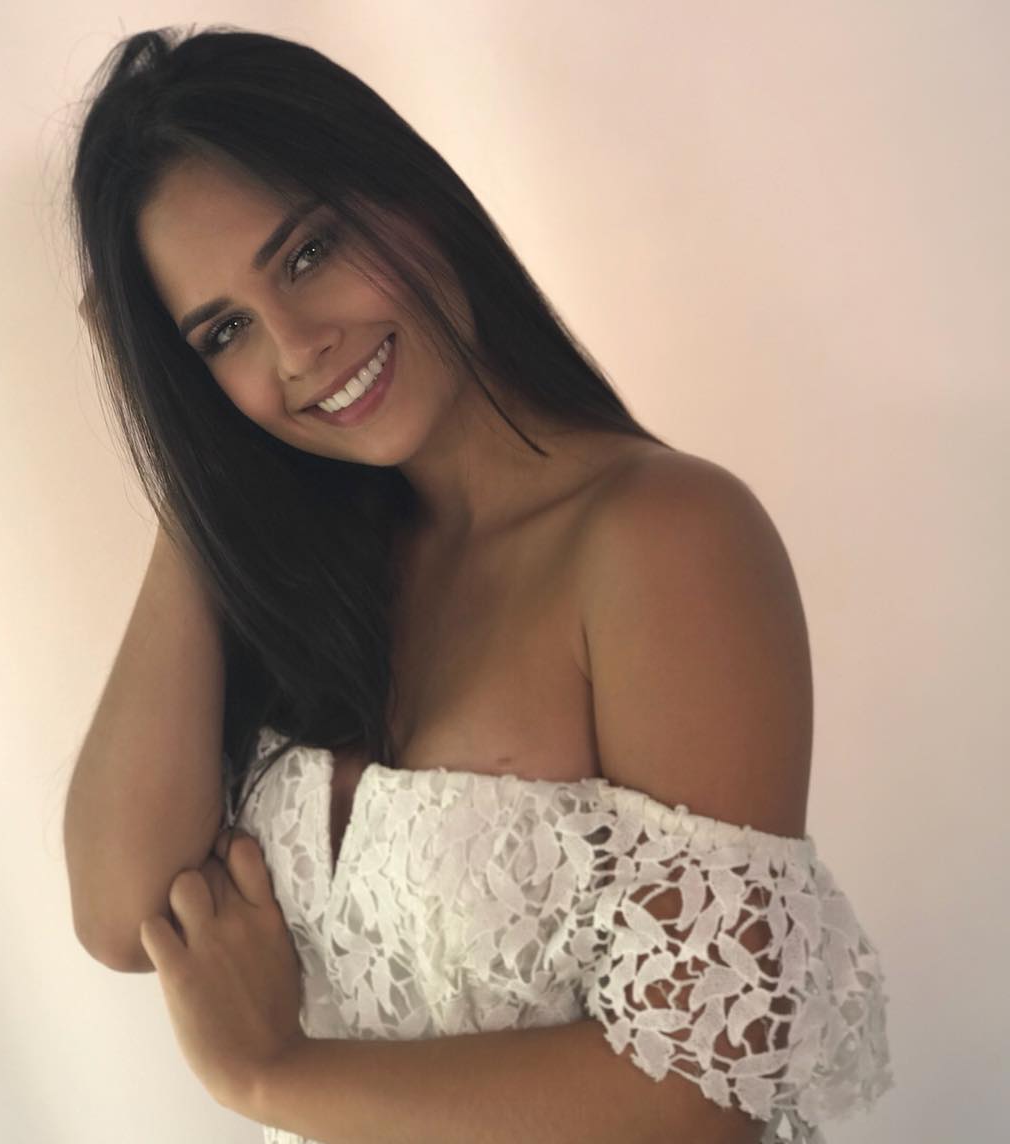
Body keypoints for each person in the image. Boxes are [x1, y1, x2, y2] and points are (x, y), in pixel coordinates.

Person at [62, 25, 893, 1144]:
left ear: (410, 195)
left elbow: (705, 1090)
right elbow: (124, 914)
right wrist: (197, 459)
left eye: (308, 254)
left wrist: (269, 1075)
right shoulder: (317, 575)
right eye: (223, 333)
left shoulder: (663, 537)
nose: (297, 349)